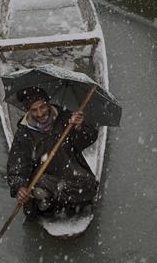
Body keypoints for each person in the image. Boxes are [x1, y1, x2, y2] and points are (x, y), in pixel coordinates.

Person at [6, 86, 99, 219]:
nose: (40, 113)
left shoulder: (66, 118)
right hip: (44, 180)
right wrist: (20, 187)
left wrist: (79, 127)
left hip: (71, 173)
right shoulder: (24, 134)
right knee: (37, 190)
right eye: (34, 110)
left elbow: (87, 140)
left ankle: (71, 202)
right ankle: (50, 204)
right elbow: (17, 166)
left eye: (42, 107)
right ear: (28, 110)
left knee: (88, 183)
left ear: (48, 103)